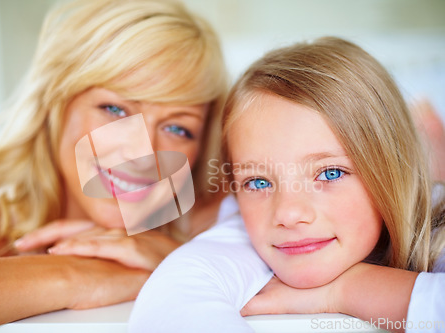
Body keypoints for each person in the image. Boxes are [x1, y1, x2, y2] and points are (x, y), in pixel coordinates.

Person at [129, 37, 445, 333]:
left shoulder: (438, 220)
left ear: (391, 172)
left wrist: (345, 290)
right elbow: (176, 292)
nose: (289, 213)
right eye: (258, 181)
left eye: (330, 173)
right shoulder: (242, 224)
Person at [0, 0, 228, 331]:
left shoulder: (218, 234)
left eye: (178, 129)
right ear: (57, 104)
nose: (143, 150)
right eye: (114, 109)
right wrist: (77, 274)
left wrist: (181, 264)